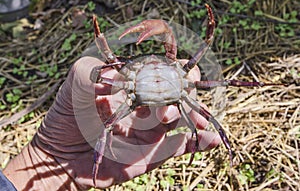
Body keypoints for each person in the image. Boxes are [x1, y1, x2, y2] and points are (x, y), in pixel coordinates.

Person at [1, 56, 221, 190]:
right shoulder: (129, 85)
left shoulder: (179, 81)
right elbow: (106, 71)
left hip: (57, 158)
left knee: (201, 116)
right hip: (134, 101)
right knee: (108, 127)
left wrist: (52, 157)